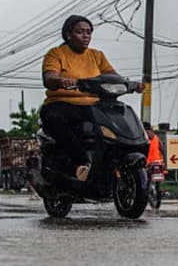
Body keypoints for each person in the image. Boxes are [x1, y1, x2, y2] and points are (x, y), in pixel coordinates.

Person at [41, 14, 140, 180]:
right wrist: (61, 80)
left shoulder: (97, 56)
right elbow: (49, 77)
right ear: (68, 34)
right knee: (57, 119)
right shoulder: (56, 54)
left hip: (94, 105)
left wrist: (131, 85)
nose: (85, 36)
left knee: (117, 119)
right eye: (80, 32)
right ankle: (81, 163)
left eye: (88, 32)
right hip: (61, 104)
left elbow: (112, 76)